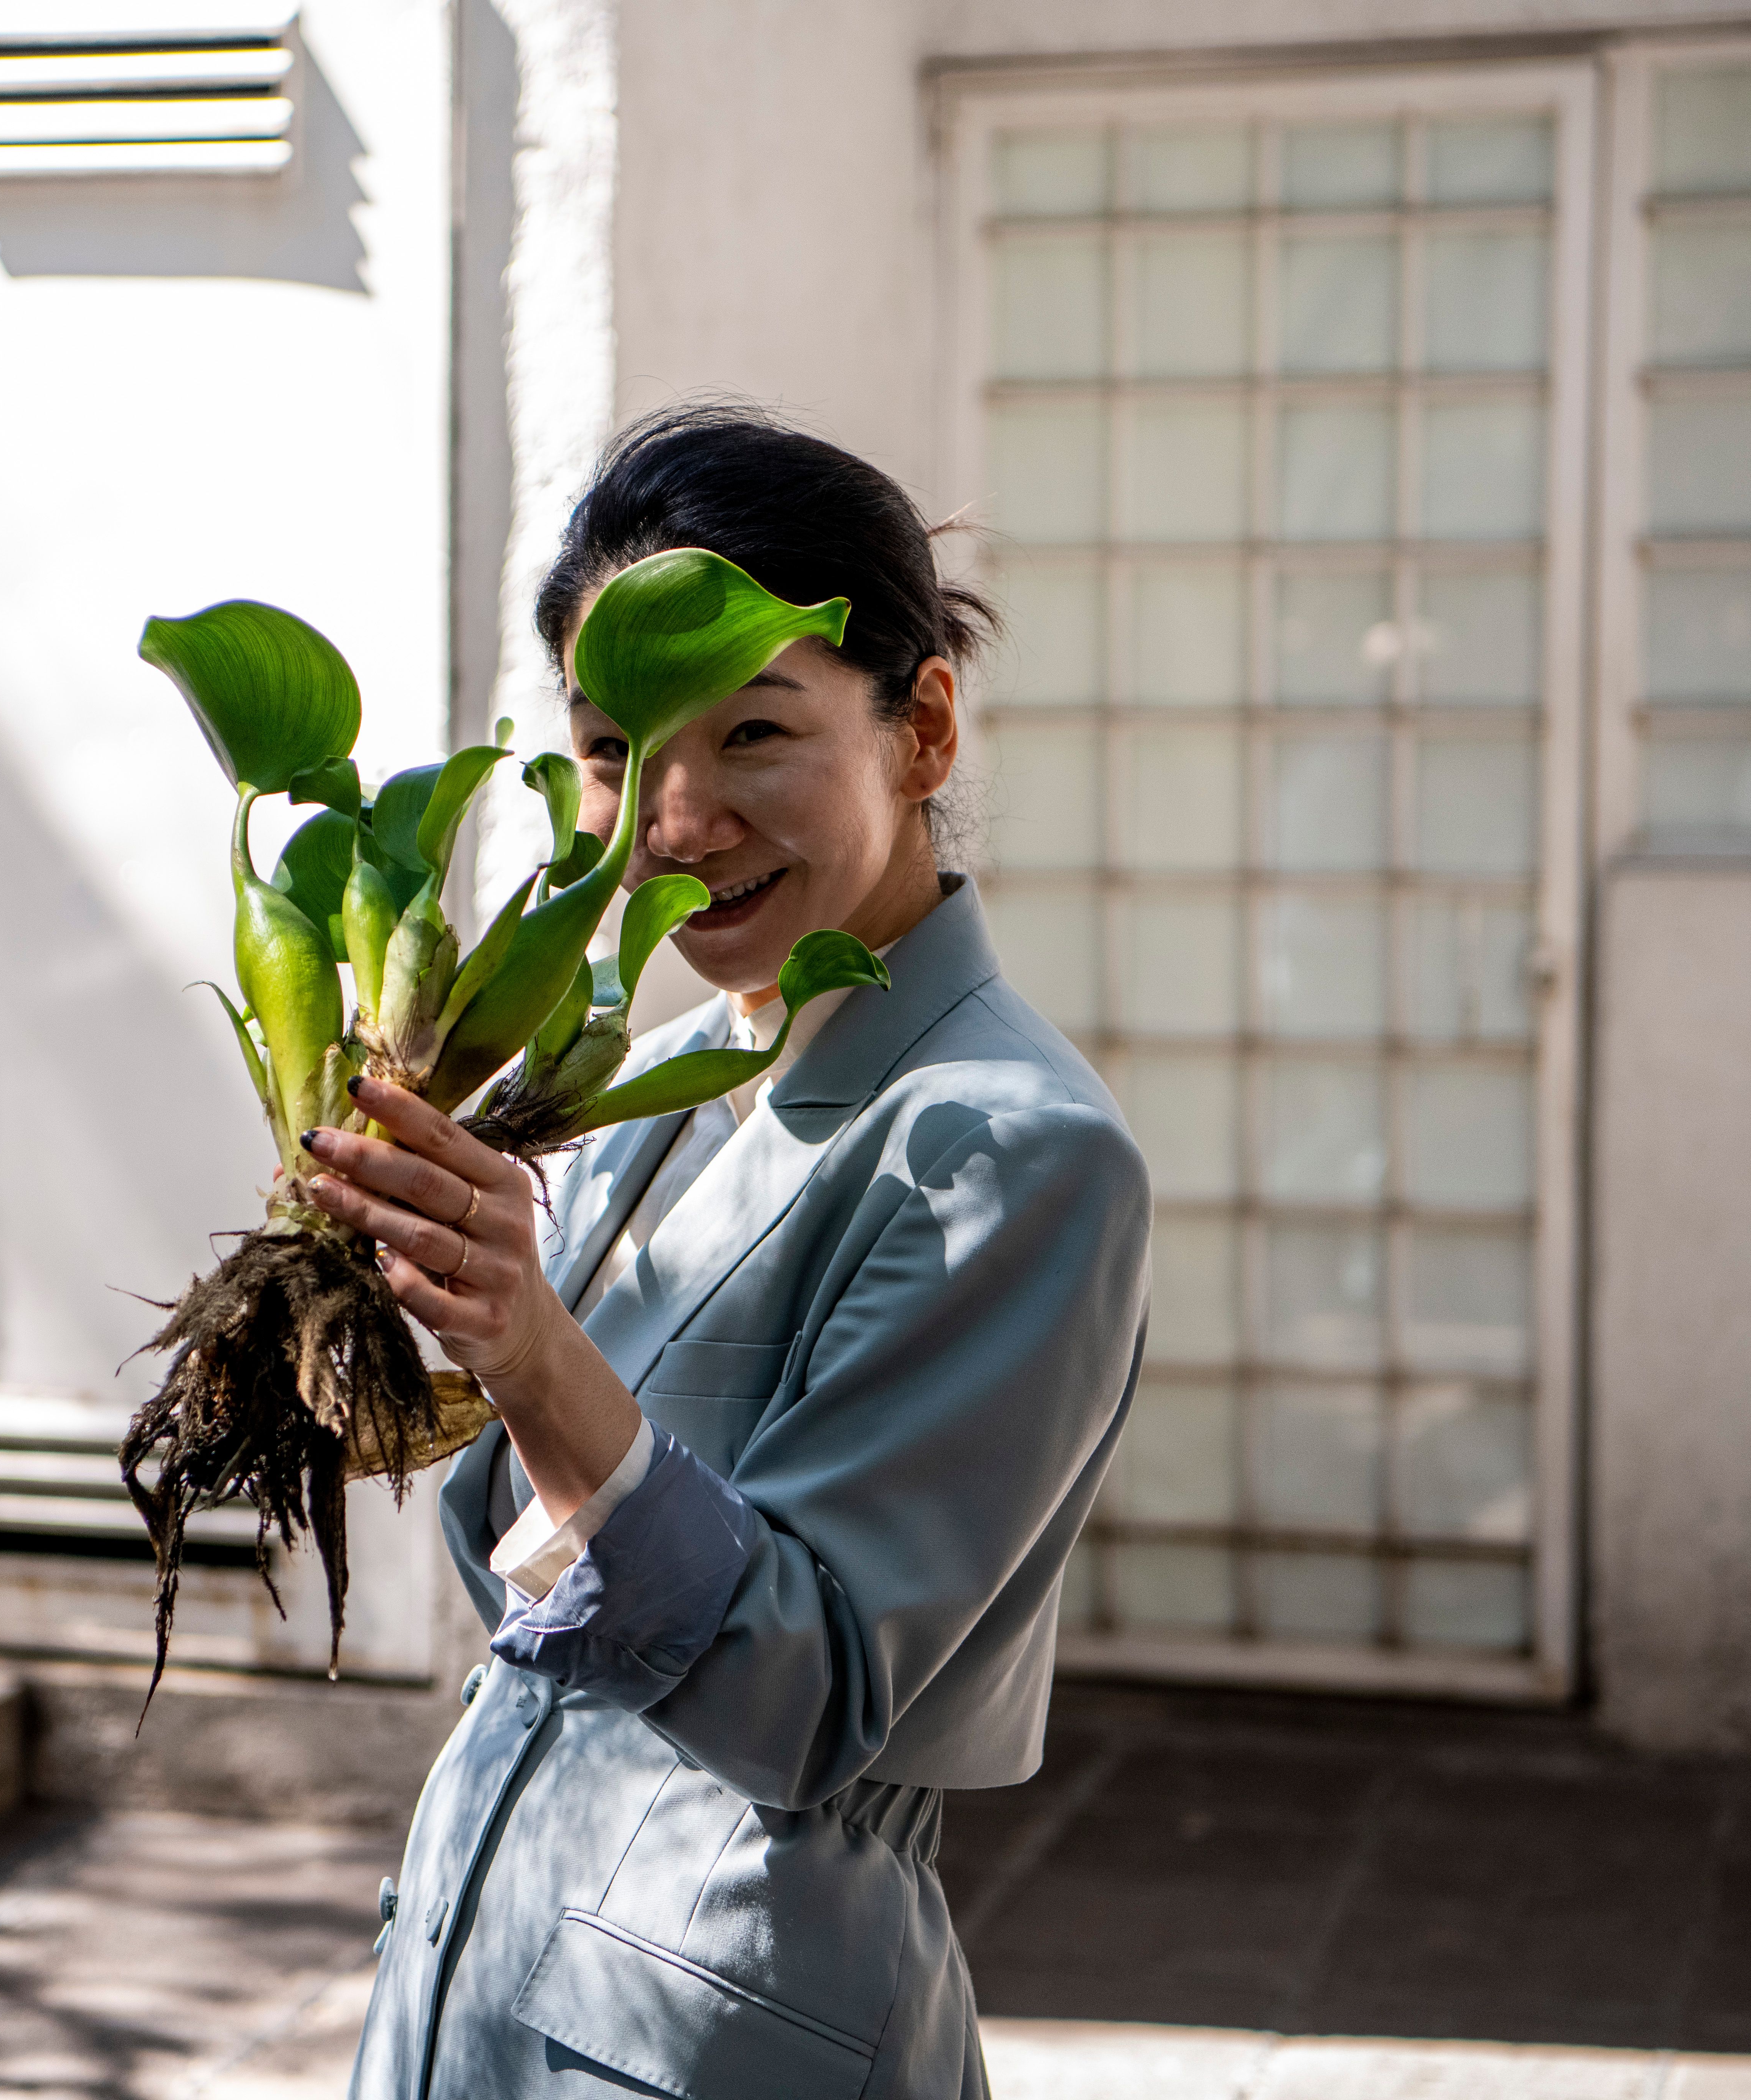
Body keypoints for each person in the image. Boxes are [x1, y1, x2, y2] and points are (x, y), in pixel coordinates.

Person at [304, 403, 1151, 2099]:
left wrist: (535, 1349)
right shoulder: (659, 1074)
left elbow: (806, 1697)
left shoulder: (1016, 1149)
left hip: (716, 2030)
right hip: (477, 1974)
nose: (676, 820)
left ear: (924, 727)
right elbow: (521, 1571)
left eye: (754, 733)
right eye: (615, 752)